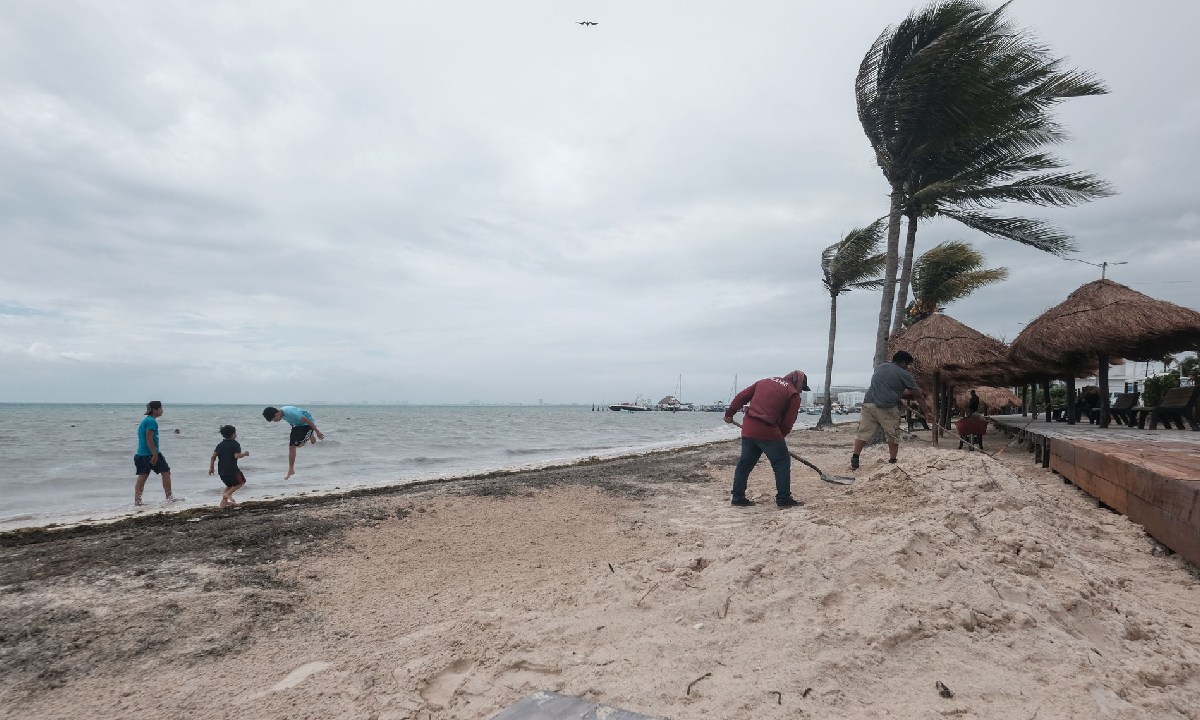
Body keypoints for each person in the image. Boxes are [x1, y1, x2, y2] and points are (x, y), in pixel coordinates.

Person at [722, 370, 810, 509]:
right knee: (782, 461)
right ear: (797, 382)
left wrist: (730, 413)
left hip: (749, 428)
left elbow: (741, 397)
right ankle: (783, 499)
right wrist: (779, 437)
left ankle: (738, 497)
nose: (800, 391)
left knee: (745, 463)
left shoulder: (764, 381)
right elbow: (788, 421)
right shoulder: (793, 394)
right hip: (769, 430)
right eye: (802, 388)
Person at [851, 351, 930, 469]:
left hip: (868, 404)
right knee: (892, 434)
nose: (907, 368)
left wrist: (896, 395)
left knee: (863, 432)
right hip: (886, 408)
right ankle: (893, 460)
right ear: (903, 362)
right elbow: (917, 395)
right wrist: (927, 412)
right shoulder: (904, 374)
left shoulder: (880, 367)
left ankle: (855, 458)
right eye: (907, 365)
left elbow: (885, 385)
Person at [262, 405, 325, 480]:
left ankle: (311, 434)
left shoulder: (291, 413)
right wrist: (294, 433)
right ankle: (291, 469)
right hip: (297, 425)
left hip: (307, 424)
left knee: (301, 444)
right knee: (291, 447)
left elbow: (308, 420)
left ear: (276, 414)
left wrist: (318, 432)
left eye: (274, 419)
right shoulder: (282, 414)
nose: (275, 421)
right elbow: (291, 421)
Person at [133, 400, 175, 506]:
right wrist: (155, 454)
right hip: (150, 453)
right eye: (160, 408)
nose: (162, 410)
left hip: (141, 454)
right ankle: (169, 498)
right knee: (166, 472)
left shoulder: (146, 420)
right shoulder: (151, 421)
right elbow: (149, 438)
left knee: (142, 476)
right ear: (154, 410)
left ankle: (137, 501)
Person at [209, 425, 250, 507]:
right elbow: (237, 456)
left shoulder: (220, 444)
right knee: (241, 481)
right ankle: (227, 494)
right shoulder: (235, 444)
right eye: (235, 433)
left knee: (229, 485)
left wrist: (211, 468)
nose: (236, 435)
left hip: (221, 471)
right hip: (232, 469)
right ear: (233, 434)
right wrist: (245, 454)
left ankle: (223, 502)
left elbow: (213, 456)